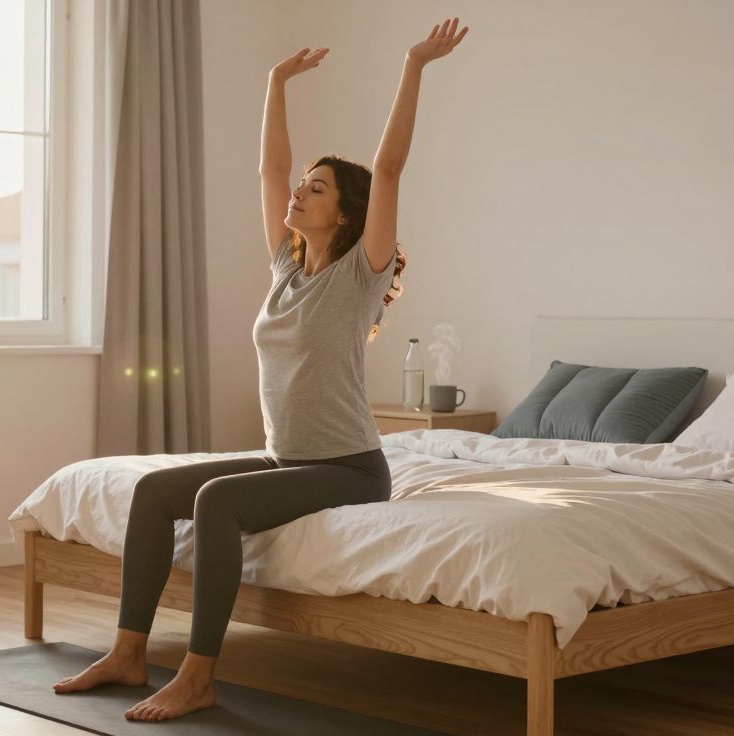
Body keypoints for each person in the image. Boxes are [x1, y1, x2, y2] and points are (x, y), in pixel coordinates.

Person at [52, 17, 470, 723]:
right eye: (303, 186)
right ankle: (128, 652)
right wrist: (275, 83)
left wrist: (414, 64)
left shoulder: (359, 275)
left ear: (344, 216)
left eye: (316, 190)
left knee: (217, 500)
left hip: (349, 466)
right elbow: (268, 170)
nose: (297, 194)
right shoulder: (285, 268)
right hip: (288, 459)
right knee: (155, 492)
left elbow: (390, 167)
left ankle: (198, 675)